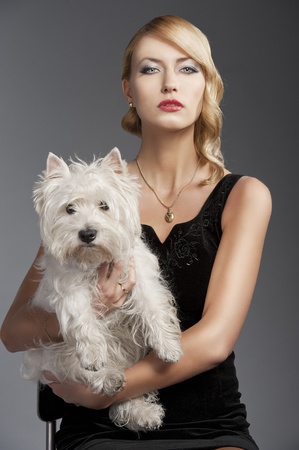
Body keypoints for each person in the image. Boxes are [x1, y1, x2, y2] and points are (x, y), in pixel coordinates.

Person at [1, 15, 272, 450]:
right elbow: (14, 332)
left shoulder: (244, 195)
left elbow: (216, 340)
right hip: (97, 427)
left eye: (188, 68)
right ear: (129, 89)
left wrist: (110, 387)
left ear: (208, 85)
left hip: (211, 423)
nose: (170, 84)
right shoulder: (89, 195)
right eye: (150, 68)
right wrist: (87, 308)